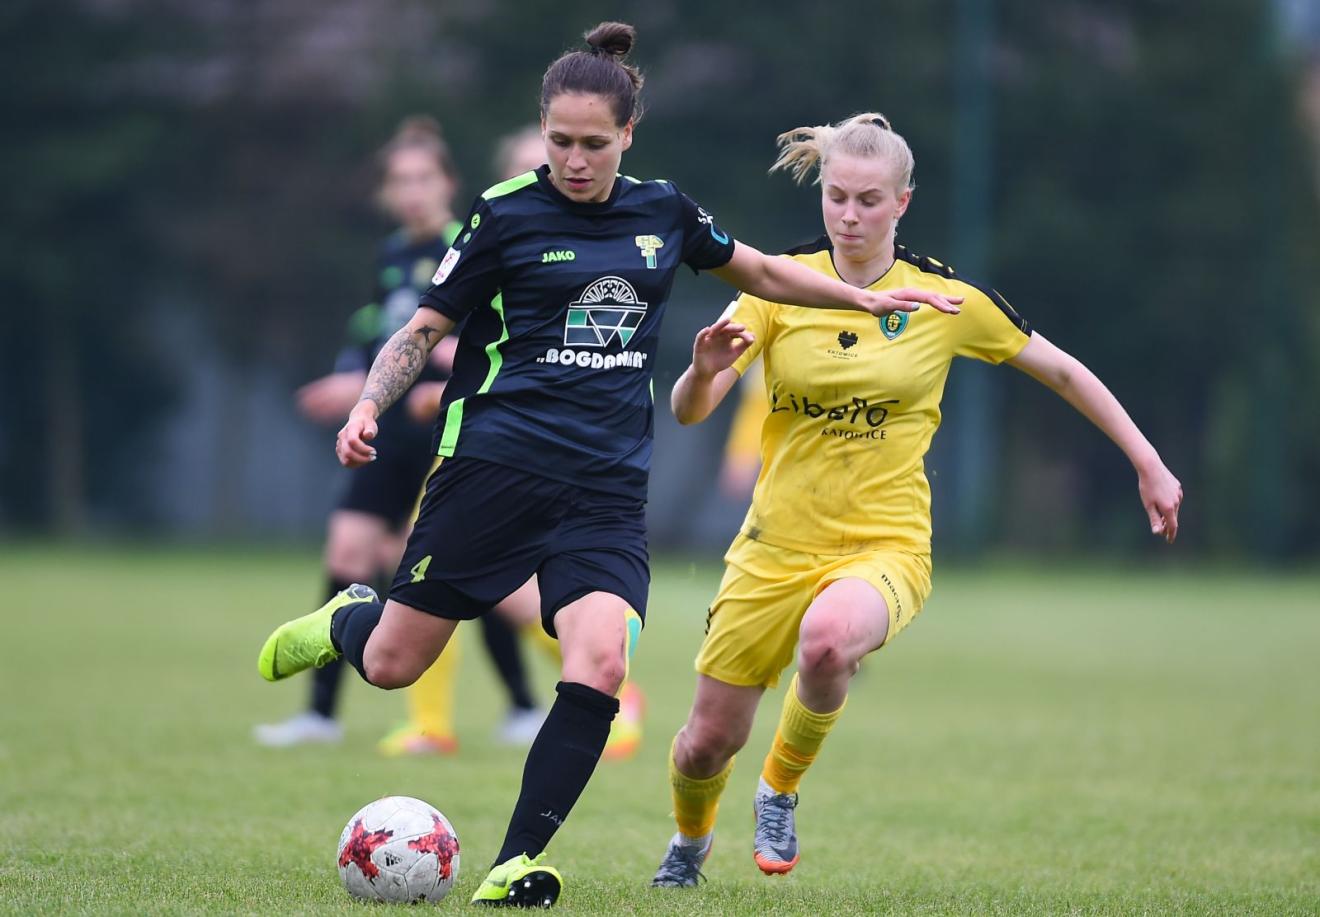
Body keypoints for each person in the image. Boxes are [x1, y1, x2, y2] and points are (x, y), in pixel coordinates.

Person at [257, 25, 960, 908]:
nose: (575, 160)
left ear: (628, 133)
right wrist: (369, 402)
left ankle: (515, 861)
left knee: (600, 662)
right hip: (490, 471)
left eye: (594, 142)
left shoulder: (664, 212)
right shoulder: (503, 212)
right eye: (559, 141)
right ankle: (350, 619)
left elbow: (762, 272)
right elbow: (425, 326)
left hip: (605, 490)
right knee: (395, 662)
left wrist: (861, 297)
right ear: (542, 131)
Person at [649, 112, 1184, 888]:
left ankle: (779, 789)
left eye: (869, 199)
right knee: (705, 743)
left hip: (885, 543)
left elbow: (1065, 372)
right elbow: (690, 411)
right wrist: (701, 372)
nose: (849, 215)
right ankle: (689, 842)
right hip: (773, 544)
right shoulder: (774, 285)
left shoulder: (946, 299)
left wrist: (1148, 460)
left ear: (902, 202)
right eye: (836, 196)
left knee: (829, 641)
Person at [254, 116, 464, 751]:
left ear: (448, 183)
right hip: (387, 432)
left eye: (423, 178)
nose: (413, 192)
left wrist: (446, 365)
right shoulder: (391, 254)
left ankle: (521, 705)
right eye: (401, 180)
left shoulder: (470, 246)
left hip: (446, 433)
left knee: (443, 574)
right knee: (348, 553)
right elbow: (378, 333)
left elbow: (489, 343)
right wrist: (354, 382)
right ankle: (321, 714)